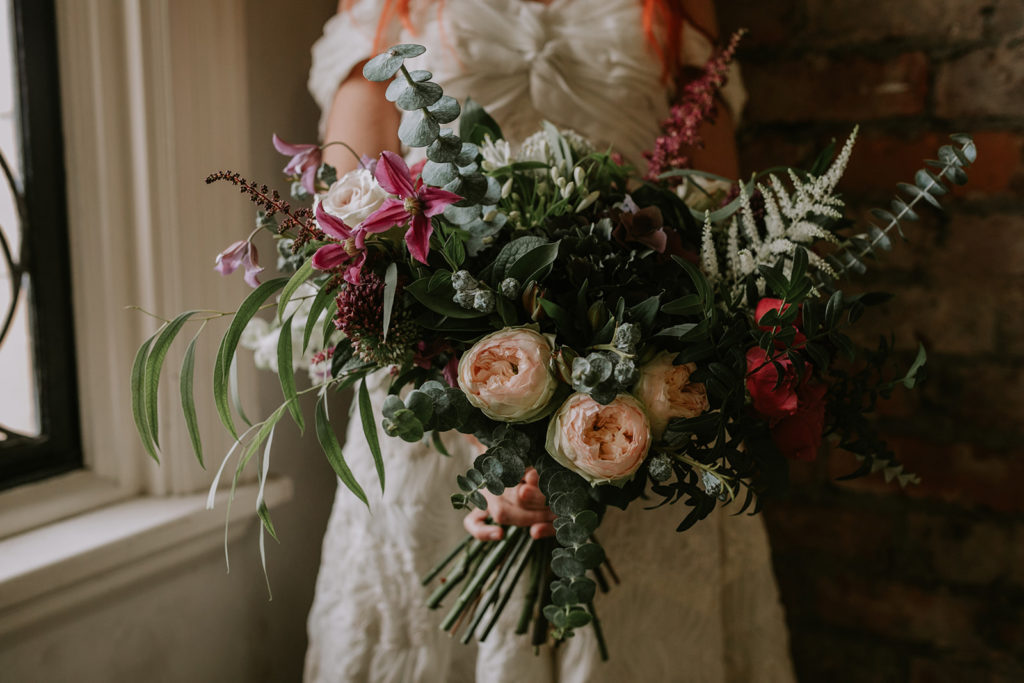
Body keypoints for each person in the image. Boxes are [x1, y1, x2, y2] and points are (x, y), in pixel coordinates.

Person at [304, 1, 796, 681]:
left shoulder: (679, 9)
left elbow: (714, 232)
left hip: (633, 421)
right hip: (436, 436)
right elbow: (348, 237)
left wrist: (613, 406)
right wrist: (494, 440)